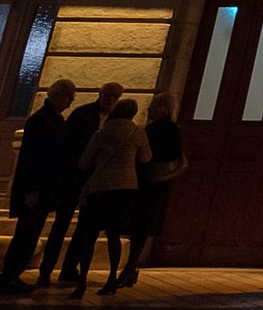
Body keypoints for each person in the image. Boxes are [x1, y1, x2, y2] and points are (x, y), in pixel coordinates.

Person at [0, 81, 81, 295]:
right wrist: (32, 190)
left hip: (43, 189)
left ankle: (11, 277)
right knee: (25, 235)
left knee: (29, 235)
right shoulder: (43, 121)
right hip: (36, 190)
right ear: (57, 95)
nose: (72, 100)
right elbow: (34, 159)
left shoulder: (50, 119)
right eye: (69, 95)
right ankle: (8, 277)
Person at [66, 93, 145, 296]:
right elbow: (146, 157)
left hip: (100, 188)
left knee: (89, 235)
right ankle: (111, 278)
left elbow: (84, 162)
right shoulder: (137, 132)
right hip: (125, 189)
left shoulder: (101, 133)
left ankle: (82, 281)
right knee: (114, 236)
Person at [54, 85, 124, 287]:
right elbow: (67, 144)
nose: (110, 100)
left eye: (114, 97)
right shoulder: (82, 114)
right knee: (61, 223)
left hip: (95, 180)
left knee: (84, 227)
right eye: (107, 96)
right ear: (99, 95)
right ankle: (47, 269)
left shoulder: (115, 121)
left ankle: (69, 268)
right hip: (74, 176)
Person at [122, 93, 185, 289]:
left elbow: (169, 154)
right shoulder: (155, 127)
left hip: (152, 184)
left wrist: (146, 154)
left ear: (163, 107)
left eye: (154, 105)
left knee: (141, 226)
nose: (149, 109)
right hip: (146, 183)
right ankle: (129, 268)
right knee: (137, 226)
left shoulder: (167, 129)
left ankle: (130, 267)